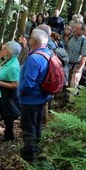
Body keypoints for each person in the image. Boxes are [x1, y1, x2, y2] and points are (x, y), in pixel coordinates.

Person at [17, 29, 51, 162]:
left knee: (28, 126)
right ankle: (37, 147)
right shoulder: (48, 53)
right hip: (42, 97)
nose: (28, 39)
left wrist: (20, 92)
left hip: (30, 100)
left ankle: (29, 154)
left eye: (30, 38)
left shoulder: (34, 58)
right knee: (37, 124)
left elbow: (28, 83)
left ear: (34, 41)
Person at [0, 41, 21, 144]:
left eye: (4, 48)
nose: (2, 50)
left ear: (9, 52)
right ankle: (7, 135)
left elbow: (16, 84)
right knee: (4, 117)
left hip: (3, 97)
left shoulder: (13, 66)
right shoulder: (7, 61)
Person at [67, 21, 86, 99]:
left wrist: (78, 69)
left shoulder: (84, 41)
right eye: (74, 27)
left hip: (77, 65)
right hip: (67, 64)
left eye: (77, 28)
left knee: (74, 83)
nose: (74, 29)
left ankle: (71, 102)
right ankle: (64, 97)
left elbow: (84, 57)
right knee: (66, 82)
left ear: (82, 31)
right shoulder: (71, 37)